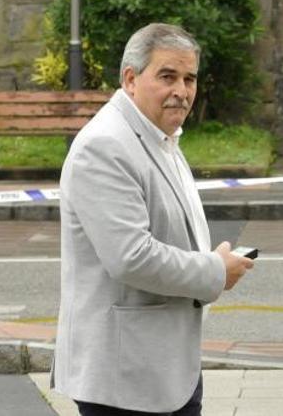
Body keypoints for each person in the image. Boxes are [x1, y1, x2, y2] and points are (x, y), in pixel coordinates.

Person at [52, 23, 254, 415]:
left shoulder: (156, 134)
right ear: (130, 79)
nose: (182, 90)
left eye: (189, 78)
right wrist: (214, 270)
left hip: (165, 368)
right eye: (167, 76)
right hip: (125, 378)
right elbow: (131, 257)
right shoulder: (106, 145)